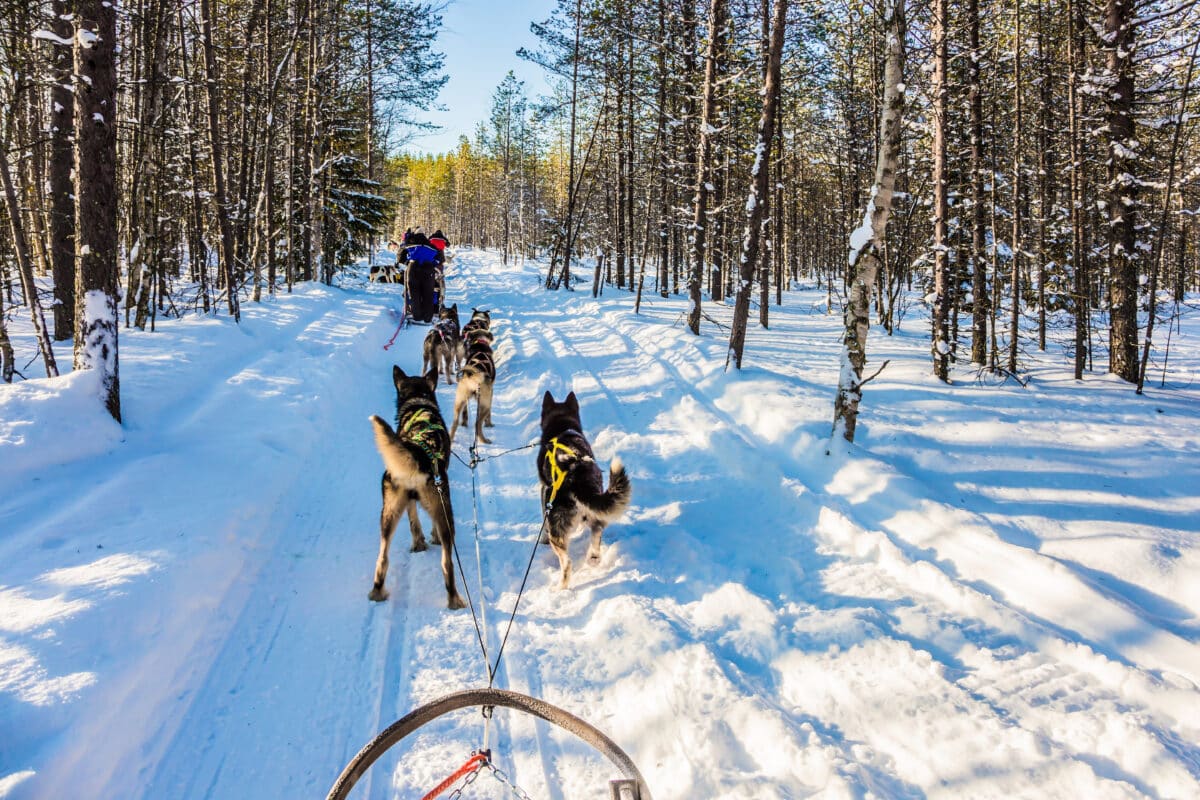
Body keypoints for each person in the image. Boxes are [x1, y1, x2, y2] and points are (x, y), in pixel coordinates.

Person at [404, 228, 441, 323]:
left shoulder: (409, 244)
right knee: (428, 294)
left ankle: (417, 316)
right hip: (428, 270)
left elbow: (401, 256)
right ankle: (428, 317)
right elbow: (439, 258)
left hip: (413, 269)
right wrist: (433, 262)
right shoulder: (431, 246)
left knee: (414, 293)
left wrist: (407, 262)